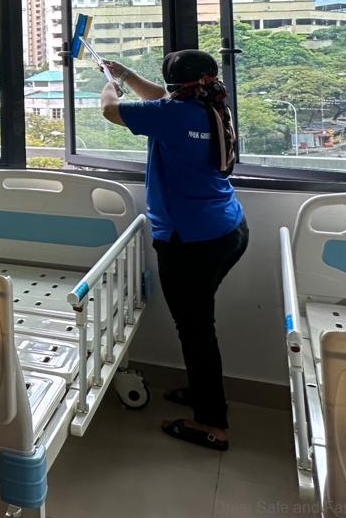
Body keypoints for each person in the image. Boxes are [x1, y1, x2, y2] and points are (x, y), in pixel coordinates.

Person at [101, 50, 248, 451]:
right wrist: (128, 74)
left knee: (195, 329)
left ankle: (212, 424)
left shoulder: (172, 114)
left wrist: (110, 85)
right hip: (229, 229)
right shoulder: (212, 104)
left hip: (190, 242)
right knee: (198, 323)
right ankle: (204, 393)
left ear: (176, 84)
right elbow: (162, 99)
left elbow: (111, 111)